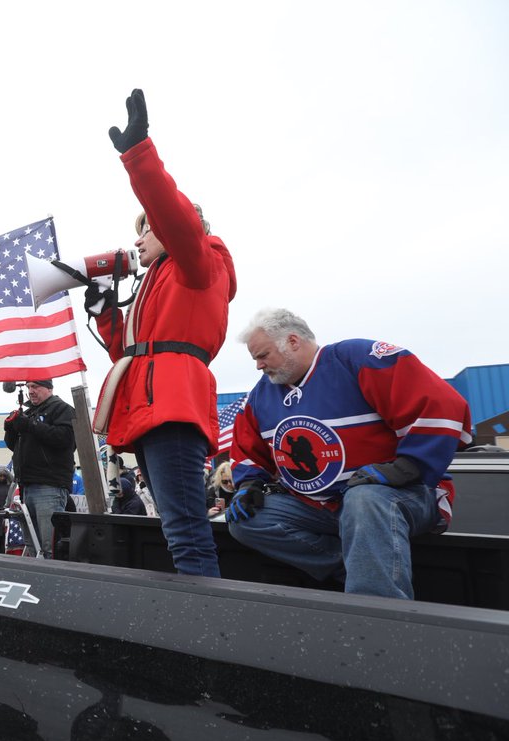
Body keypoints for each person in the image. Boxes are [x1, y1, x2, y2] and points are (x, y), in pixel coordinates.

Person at [82, 88, 237, 578]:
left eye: (146, 229)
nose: (137, 239)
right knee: (176, 527)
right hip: (153, 404)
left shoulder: (199, 260)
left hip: (172, 405)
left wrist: (139, 155)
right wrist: (106, 312)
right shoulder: (158, 281)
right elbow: (130, 352)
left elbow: (176, 217)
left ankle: (206, 629)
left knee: (187, 530)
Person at [226, 308, 472, 599]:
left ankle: (377, 616)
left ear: (293, 341)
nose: (258, 366)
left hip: (402, 496)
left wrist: (407, 466)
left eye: (263, 355)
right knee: (246, 520)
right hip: (320, 507)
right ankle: (363, 568)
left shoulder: (358, 359)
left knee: (363, 498)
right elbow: (246, 447)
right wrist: (248, 484)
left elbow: (442, 405)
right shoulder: (262, 395)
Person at [3, 379, 76, 557]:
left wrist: (30, 425)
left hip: (49, 485)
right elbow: (17, 447)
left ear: (49, 388)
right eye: (28, 387)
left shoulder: (62, 409)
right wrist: (11, 430)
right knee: (32, 545)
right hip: (27, 485)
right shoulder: (28, 412)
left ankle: (54, 581)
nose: (31, 391)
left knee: (49, 546)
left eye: (35, 386)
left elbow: (65, 439)